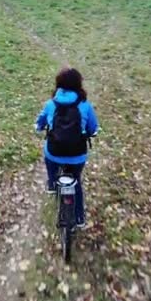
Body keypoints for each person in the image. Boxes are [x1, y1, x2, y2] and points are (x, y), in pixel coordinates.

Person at [35, 67, 99, 228]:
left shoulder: (50, 104)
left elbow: (41, 121)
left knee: (48, 154)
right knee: (76, 182)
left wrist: (38, 126)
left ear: (59, 85)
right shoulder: (85, 105)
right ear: (79, 85)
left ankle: (51, 183)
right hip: (77, 155)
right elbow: (93, 128)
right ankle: (79, 218)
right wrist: (92, 132)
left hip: (54, 153)